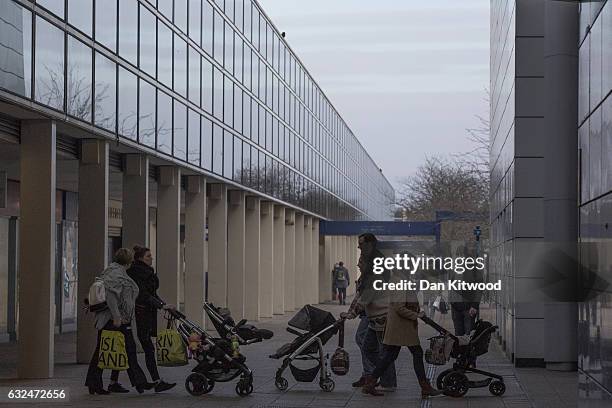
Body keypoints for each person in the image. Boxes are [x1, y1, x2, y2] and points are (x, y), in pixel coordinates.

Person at [85, 248, 153, 395]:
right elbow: (111, 296)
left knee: (107, 350)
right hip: (115, 320)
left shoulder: (112, 271)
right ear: (129, 261)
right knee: (124, 349)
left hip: (115, 319)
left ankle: (96, 383)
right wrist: (116, 316)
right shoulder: (116, 274)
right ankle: (139, 383)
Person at [108, 246, 176, 393]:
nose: (151, 258)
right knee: (143, 348)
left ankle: (115, 381)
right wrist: (161, 305)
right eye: (148, 256)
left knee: (128, 348)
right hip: (137, 316)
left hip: (142, 314)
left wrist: (163, 305)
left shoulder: (145, 272)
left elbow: (151, 293)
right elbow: (143, 295)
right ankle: (155, 381)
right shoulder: (136, 273)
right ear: (139, 259)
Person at [362, 273, 441, 398]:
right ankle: (425, 387)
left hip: (401, 326)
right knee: (416, 353)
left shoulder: (401, 279)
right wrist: (416, 315)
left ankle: (370, 382)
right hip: (402, 326)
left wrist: (416, 311)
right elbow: (399, 307)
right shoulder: (399, 281)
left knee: (390, 356)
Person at [341, 233, 397, 392]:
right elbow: (362, 292)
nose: (359, 247)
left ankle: (381, 379)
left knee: (380, 349)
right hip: (374, 316)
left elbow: (368, 293)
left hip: (381, 315)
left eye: (361, 244)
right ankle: (375, 376)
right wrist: (351, 311)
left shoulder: (376, 263)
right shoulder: (371, 262)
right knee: (370, 347)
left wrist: (352, 313)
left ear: (370, 244)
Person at [449, 244, 483, 366]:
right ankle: (461, 359)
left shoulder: (474, 267)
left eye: (460, 255)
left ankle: (471, 360)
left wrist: (474, 305)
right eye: (457, 255)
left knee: (469, 336)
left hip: (469, 307)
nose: (458, 257)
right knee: (459, 336)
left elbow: (479, 287)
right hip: (456, 307)